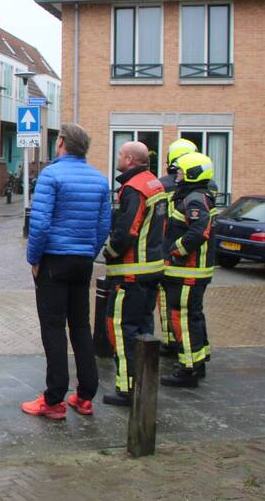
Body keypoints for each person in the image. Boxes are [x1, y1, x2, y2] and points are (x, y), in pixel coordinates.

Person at [21, 123, 111, 419]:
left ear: (61, 143)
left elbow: (41, 223)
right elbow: (102, 226)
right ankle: (85, 396)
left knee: (54, 329)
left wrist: (34, 259)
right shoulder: (99, 180)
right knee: (81, 327)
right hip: (82, 262)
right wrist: (89, 251)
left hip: (54, 262)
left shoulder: (51, 175)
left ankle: (53, 399)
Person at [101, 141, 167, 406]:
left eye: (120, 154)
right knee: (143, 328)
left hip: (130, 274)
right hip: (151, 271)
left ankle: (127, 387)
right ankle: (144, 382)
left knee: (120, 327)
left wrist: (108, 252)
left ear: (129, 159)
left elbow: (126, 230)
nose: (117, 157)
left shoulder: (134, 189)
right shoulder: (155, 184)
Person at [161, 152, 217, 388]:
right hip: (192, 273)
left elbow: (198, 232)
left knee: (182, 318)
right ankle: (198, 360)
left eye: (182, 173)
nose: (178, 177)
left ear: (193, 174)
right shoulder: (198, 196)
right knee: (193, 317)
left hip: (188, 273)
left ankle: (188, 369)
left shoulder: (194, 199)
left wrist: (175, 249)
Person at [156, 138, 198, 357]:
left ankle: (173, 341)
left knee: (167, 300)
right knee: (192, 310)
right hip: (196, 258)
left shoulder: (162, 184)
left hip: (168, 249)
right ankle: (192, 349)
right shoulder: (206, 188)